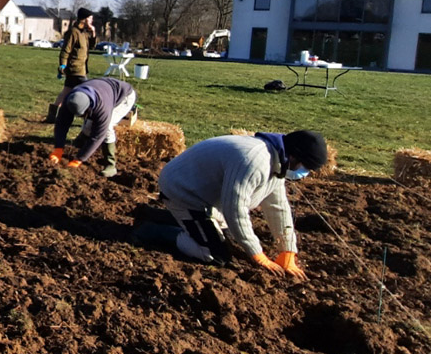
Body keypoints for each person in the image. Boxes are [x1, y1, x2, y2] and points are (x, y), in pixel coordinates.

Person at [156, 130, 328, 278]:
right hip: (183, 191)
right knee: (214, 255)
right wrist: (257, 255)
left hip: (207, 196)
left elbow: (278, 206)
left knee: (230, 237)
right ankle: (157, 231)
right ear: (293, 156)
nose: (304, 173)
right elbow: (235, 209)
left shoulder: (276, 161)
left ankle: (175, 219)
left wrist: (288, 250)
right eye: (304, 167)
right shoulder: (254, 161)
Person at [49, 77, 136, 177]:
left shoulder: (103, 108)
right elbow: (61, 123)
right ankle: (79, 146)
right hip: (101, 89)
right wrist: (58, 148)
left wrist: (79, 159)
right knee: (88, 127)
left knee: (107, 127)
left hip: (124, 96)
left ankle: (110, 164)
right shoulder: (70, 99)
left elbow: (98, 136)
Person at [45, 7, 96, 123]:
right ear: (85, 19)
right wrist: (62, 66)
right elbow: (65, 50)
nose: (92, 21)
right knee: (88, 92)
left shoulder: (84, 33)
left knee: (66, 91)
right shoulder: (73, 32)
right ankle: (90, 119)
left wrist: (93, 33)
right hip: (75, 69)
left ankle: (52, 116)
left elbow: (92, 46)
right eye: (90, 18)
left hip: (81, 68)